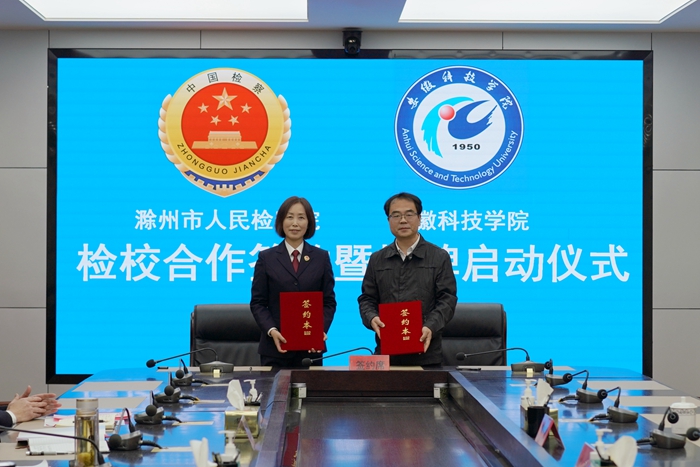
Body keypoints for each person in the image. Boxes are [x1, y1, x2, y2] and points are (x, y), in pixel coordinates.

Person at [358, 192, 457, 366]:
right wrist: (372, 318)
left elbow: (447, 300)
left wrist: (430, 326)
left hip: (426, 355)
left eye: (409, 214)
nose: (403, 220)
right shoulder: (377, 259)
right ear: (388, 220)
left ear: (419, 218)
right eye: (396, 215)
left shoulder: (439, 257)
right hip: (387, 353)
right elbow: (367, 299)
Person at [250, 196, 337, 367]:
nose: (295, 223)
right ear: (281, 221)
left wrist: (319, 330)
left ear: (309, 223)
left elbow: (328, 302)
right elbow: (258, 303)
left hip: (310, 350)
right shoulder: (266, 258)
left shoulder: (321, 258)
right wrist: (272, 330)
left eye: (301, 217)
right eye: (289, 217)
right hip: (275, 349)